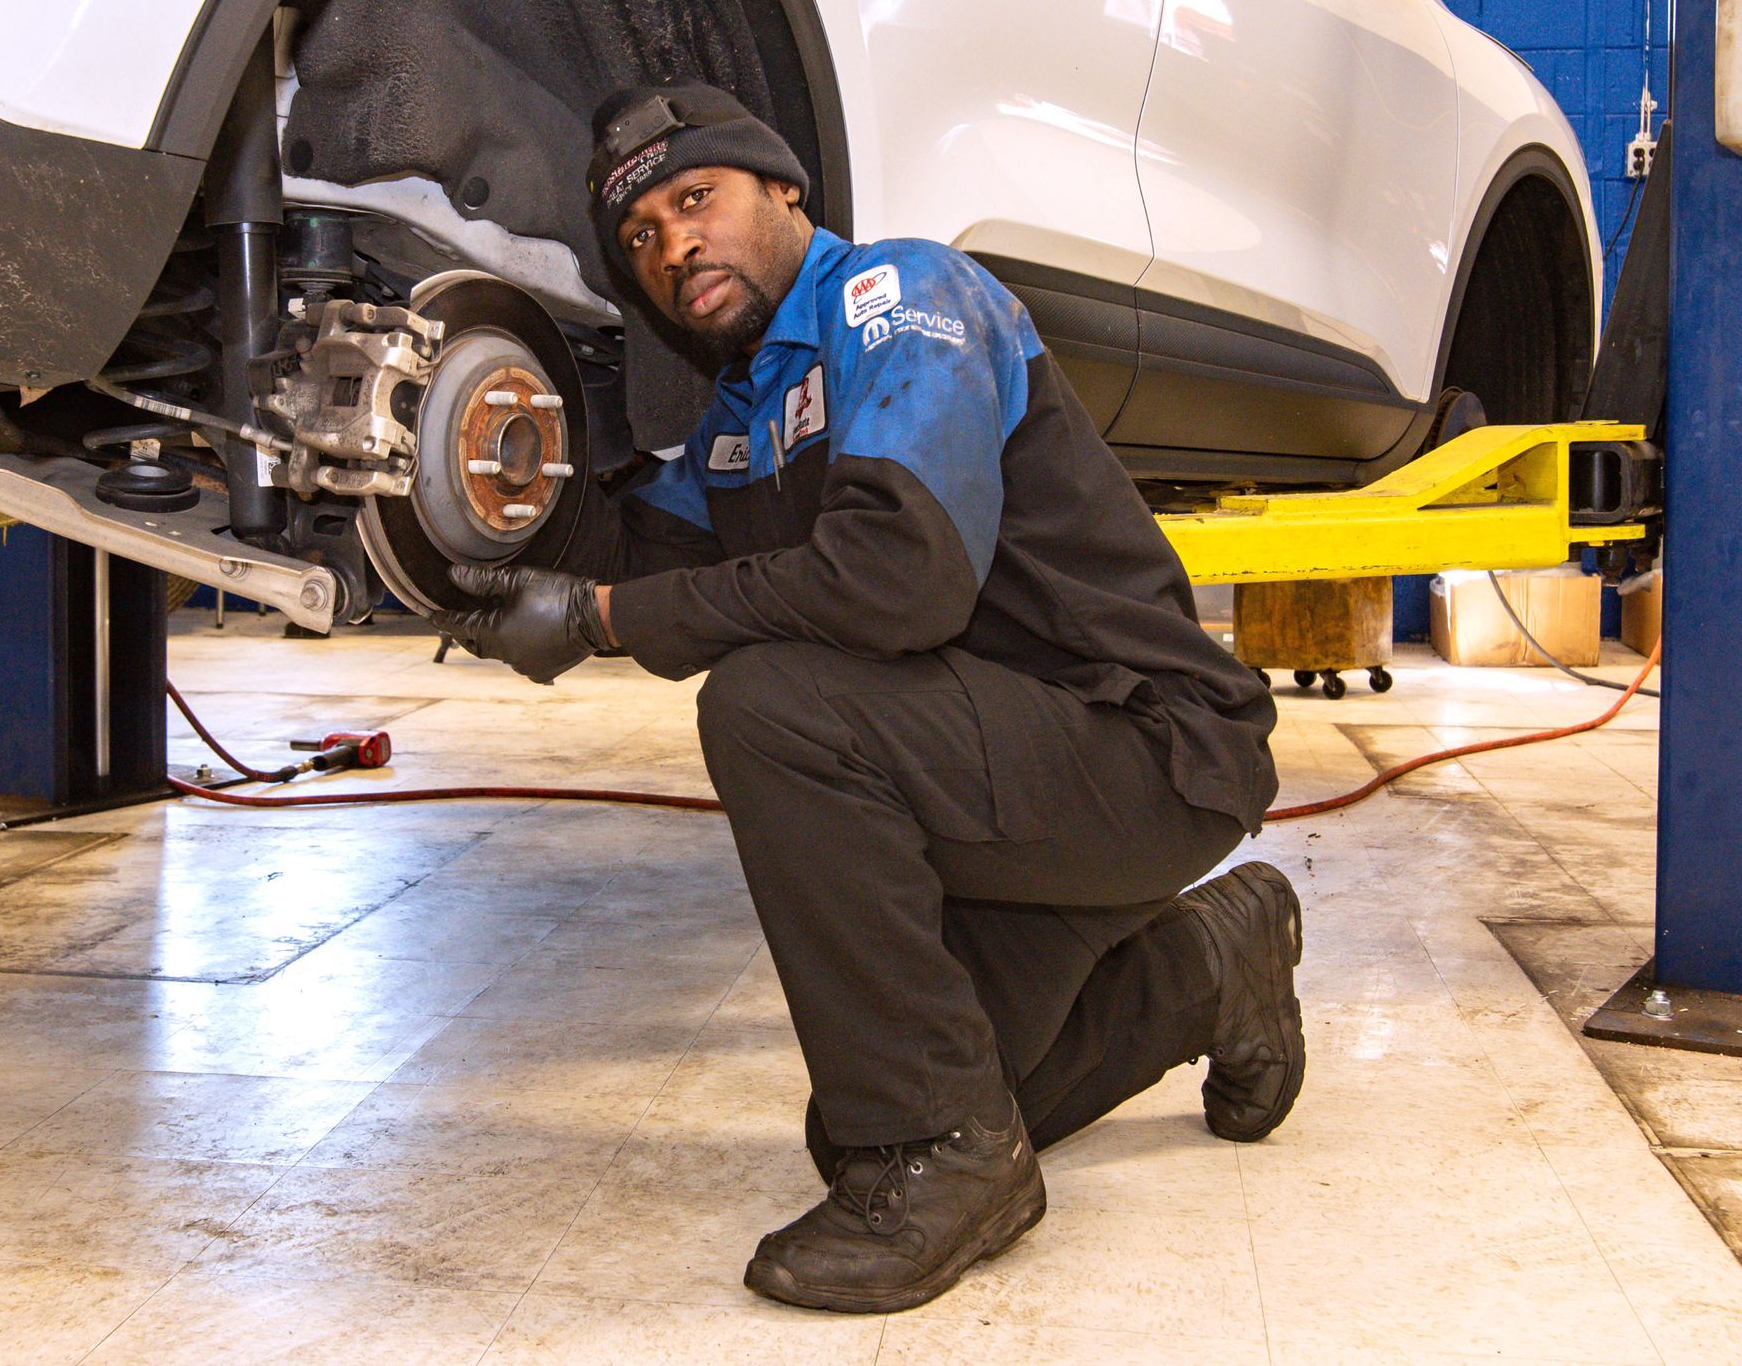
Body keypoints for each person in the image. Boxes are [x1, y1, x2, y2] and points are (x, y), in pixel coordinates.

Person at [439, 83, 1302, 1314]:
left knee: (772, 707)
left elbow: (900, 583)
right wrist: (473, 527)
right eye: (642, 241)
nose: (675, 247)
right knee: (862, 1128)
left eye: (698, 200)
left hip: (1145, 747)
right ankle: (1218, 963)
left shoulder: (899, 298)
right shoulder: (744, 422)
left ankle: (948, 1161)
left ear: (784, 190)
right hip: (1014, 776)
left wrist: (601, 622)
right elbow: (640, 557)